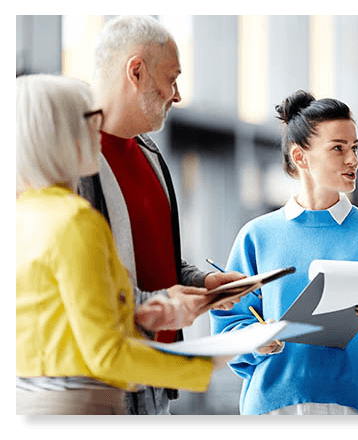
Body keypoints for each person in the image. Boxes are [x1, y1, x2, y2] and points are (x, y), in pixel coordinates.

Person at [16, 74, 225, 415]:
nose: (98, 132)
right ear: (58, 134)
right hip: (80, 404)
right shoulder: (74, 220)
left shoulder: (25, 215)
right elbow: (106, 355)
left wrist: (139, 317)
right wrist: (208, 360)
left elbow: (56, 324)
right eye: (89, 119)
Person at [210, 90, 358, 415]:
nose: (352, 159)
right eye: (338, 148)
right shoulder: (256, 237)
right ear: (300, 157)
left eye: (354, 148)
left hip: (353, 404)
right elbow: (227, 330)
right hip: (272, 406)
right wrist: (253, 338)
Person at [78, 15, 245, 414]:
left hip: (158, 381)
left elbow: (155, 261)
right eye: (172, 79)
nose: (178, 94)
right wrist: (163, 304)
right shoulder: (76, 161)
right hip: (107, 379)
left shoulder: (152, 156)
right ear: (135, 71)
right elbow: (87, 279)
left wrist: (202, 283)